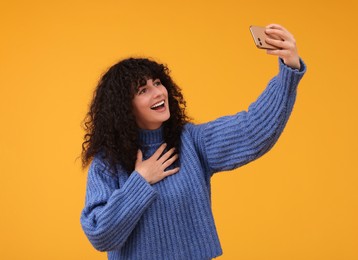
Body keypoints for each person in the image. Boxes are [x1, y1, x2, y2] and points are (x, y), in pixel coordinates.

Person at [80, 24, 306, 260]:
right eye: (143, 90)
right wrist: (140, 180)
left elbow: (253, 129)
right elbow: (100, 233)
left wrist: (289, 70)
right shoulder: (108, 163)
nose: (158, 93)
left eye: (158, 83)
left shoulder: (191, 141)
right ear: (124, 107)